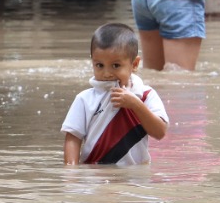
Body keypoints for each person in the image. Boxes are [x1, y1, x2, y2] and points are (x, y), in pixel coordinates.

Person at [62, 23, 168, 166]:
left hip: (135, 178)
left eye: (116, 66)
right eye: (99, 65)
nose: (106, 74)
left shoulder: (146, 95)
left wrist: (136, 104)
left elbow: (160, 132)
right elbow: (73, 138)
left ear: (134, 64)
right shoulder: (84, 99)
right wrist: (71, 173)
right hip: (95, 175)